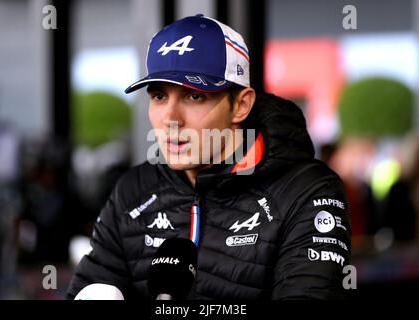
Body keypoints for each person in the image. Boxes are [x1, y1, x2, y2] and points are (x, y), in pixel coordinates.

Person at [66, 14, 351, 300]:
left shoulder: (306, 191)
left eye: (194, 96)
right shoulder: (133, 191)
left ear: (241, 105)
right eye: (159, 96)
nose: (170, 119)